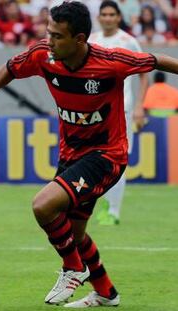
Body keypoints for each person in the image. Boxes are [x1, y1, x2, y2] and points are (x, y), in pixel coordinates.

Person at [0, 1, 178, 307]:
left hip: (106, 156)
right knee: (76, 236)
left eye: (57, 36)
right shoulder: (44, 55)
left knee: (42, 206)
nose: (49, 41)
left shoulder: (111, 61)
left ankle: (73, 268)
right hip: (71, 154)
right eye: (49, 33)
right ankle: (106, 293)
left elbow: (157, 60)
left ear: (79, 40)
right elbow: (10, 68)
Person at [89, 0, 149, 225]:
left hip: (122, 110)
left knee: (119, 159)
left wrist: (140, 106)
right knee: (92, 158)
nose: (107, 18)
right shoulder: (91, 40)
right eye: (103, 14)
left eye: (111, 14)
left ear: (118, 17)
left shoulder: (128, 42)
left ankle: (113, 210)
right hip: (94, 111)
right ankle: (100, 202)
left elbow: (144, 73)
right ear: (99, 17)